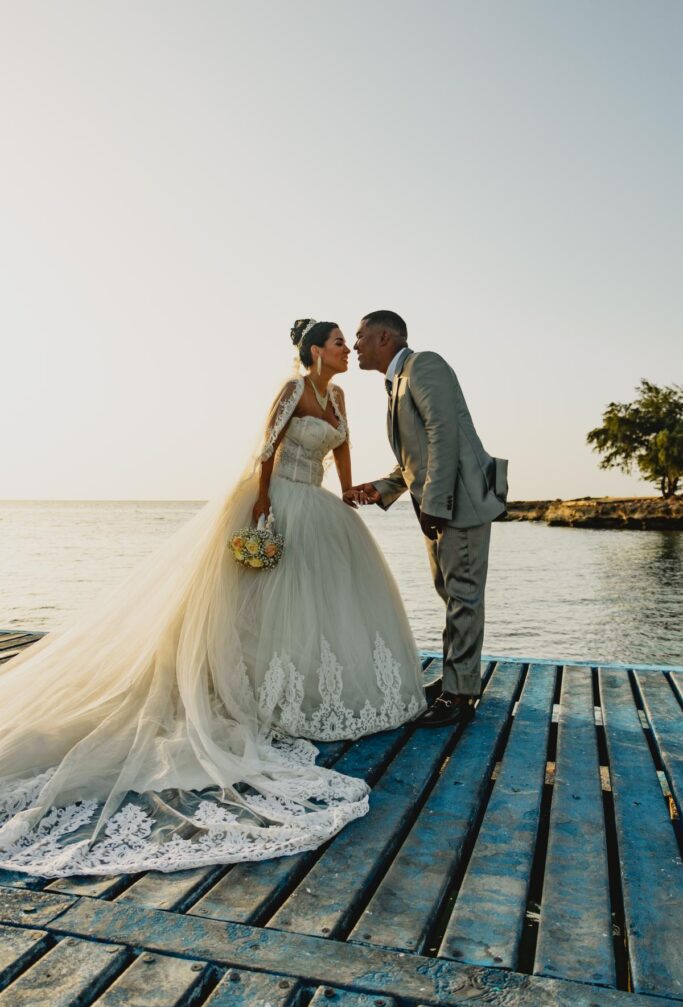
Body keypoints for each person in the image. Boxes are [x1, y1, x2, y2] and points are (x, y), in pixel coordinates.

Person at [0, 318, 425, 877]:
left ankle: (309, 689)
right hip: (275, 501)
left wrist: (349, 493)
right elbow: (266, 449)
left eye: (351, 342)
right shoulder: (294, 389)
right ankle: (246, 684)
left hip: (319, 507)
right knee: (259, 603)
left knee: (319, 609)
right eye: (339, 342)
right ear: (315, 350)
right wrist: (263, 504)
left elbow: (342, 452)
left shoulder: (340, 395)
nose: (348, 349)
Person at [347, 311, 507, 727]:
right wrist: (382, 488)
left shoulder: (425, 364)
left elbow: (443, 433)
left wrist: (436, 503)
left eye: (361, 336)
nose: (355, 344)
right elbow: (416, 457)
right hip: (438, 503)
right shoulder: (395, 382)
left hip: (459, 502)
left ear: (385, 337)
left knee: (464, 594)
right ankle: (459, 680)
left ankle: (458, 695)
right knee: (452, 593)